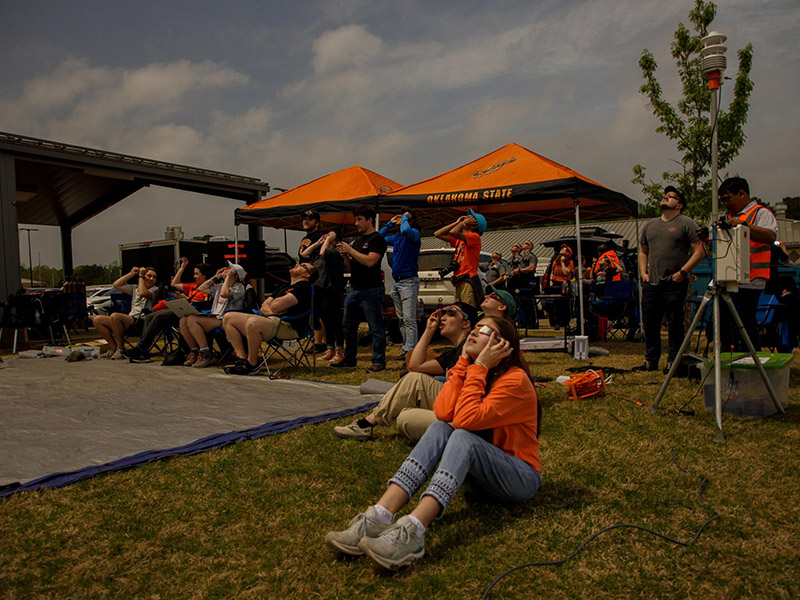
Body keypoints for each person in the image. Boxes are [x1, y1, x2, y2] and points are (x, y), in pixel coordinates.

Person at [325, 316, 540, 568]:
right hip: (481, 479)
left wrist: (479, 365)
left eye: (484, 329)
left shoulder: (515, 380)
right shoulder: (474, 370)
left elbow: (465, 420)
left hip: (519, 476)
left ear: (501, 345)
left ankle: (414, 530)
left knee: (462, 436)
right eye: (476, 326)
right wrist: (464, 362)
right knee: (440, 427)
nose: (474, 331)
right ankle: (380, 516)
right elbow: (444, 412)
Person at [333, 302, 478, 442]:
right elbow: (415, 365)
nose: (443, 317)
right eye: (444, 314)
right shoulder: (452, 354)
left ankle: (366, 424)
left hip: (464, 411)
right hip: (450, 406)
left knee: (415, 380)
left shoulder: (472, 349)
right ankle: (452, 434)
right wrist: (429, 330)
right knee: (405, 418)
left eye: (451, 314)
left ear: (466, 324)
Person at [636, 186, 705, 373]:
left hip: (674, 281)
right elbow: (643, 251)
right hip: (652, 281)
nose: (665, 198)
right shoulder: (650, 226)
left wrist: (683, 272)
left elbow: (699, 251)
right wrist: (643, 273)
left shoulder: (687, 224)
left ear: (679, 205)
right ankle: (650, 361)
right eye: (664, 195)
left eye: (671, 196)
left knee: (674, 323)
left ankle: (673, 361)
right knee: (650, 322)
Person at [222, 261, 318, 375]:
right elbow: (264, 307)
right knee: (228, 317)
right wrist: (273, 311)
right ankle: (241, 360)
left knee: (254, 322)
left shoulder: (303, 288)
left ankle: (252, 365)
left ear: (306, 275)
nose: (297, 264)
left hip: (289, 327)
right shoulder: (285, 287)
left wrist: (273, 306)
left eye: (303, 266)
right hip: (272, 321)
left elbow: (276, 305)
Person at [718, 176, 778, 351]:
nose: (726, 204)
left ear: (742, 194)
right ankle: (728, 358)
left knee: (745, 324)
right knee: (726, 325)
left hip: (751, 280)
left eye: (727, 199)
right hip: (729, 277)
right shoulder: (730, 217)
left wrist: (744, 226)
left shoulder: (761, 213)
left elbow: (769, 236)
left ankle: (751, 359)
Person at [332, 205, 388, 373]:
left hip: (372, 289)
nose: (356, 223)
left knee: (375, 326)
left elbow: (371, 261)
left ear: (369, 220)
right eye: (355, 220)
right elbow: (350, 267)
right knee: (348, 326)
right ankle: (350, 359)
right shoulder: (357, 241)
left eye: (359, 219)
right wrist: (345, 256)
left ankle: (378, 361)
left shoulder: (377, 239)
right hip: (355, 289)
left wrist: (350, 250)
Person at [125, 259, 212, 361]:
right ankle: (143, 349)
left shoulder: (209, 288)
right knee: (150, 316)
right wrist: (183, 267)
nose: (194, 276)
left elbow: (205, 304)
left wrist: (186, 299)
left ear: (205, 275)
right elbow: (174, 284)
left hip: (195, 314)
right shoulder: (193, 286)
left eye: (197, 274)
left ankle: (140, 348)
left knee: (159, 316)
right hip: (184, 311)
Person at [180, 262, 247, 368]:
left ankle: (205, 352)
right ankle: (194, 351)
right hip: (215, 317)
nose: (225, 270)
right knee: (183, 320)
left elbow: (224, 294)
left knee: (192, 320)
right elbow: (201, 288)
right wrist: (216, 277)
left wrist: (228, 278)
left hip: (227, 320)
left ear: (235, 275)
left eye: (228, 270)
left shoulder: (239, 287)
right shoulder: (219, 286)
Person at [380, 209, 422, 361]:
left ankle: (411, 351)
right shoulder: (397, 237)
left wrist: (405, 216)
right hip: (397, 281)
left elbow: (406, 230)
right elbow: (379, 237)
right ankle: (406, 348)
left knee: (409, 319)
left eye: (404, 219)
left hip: (408, 281)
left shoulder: (414, 234)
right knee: (401, 318)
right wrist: (390, 223)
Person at [92, 266, 158, 360]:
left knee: (115, 316)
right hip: (131, 319)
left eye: (154, 277)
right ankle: (113, 348)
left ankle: (121, 349)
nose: (152, 279)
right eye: (149, 276)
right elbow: (116, 284)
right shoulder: (135, 288)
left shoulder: (155, 289)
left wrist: (141, 277)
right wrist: (132, 274)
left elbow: (143, 293)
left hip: (143, 321)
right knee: (97, 320)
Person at [302, 231, 346, 363]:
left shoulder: (336, 253)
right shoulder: (319, 252)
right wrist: (318, 242)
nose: (326, 238)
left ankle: (339, 350)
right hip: (319, 290)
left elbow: (323, 253)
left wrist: (329, 241)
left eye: (329, 237)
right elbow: (304, 254)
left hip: (332, 290)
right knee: (326, 322)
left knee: (335, 322)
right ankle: (330, 348)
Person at [434, 210, 486, 309]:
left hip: (468, 279)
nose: (466, 218)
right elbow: (437, 234)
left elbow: (453, 232)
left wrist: (462, 224)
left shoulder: (474, 237)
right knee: (459, 311)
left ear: (474, 225)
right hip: (459, 280)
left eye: (470, 218)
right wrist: (457, 222)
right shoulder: (460, 240)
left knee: (468, 309)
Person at [298, 209, 328, 354]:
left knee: (318, 311)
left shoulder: (321, 237)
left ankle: (319, 342)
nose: (305, 221)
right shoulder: (306, 238)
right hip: (308, 279)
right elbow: (302, 255)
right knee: (315, 311)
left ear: (317, 222)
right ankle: (322, 341)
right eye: (304, 219)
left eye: (309, 219)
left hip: (318, 278)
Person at [542, 244, 574, 329]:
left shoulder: (570, 262)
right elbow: (552, 271)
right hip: (555, 283)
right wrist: (551, 281)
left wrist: (563, 262)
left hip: (564, 283)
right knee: (554, 304)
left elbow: (566, 272)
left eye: (565, 249)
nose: (562, 250)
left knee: (564, 304)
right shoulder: (555, 261)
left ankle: (565, 322)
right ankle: (555, 322)